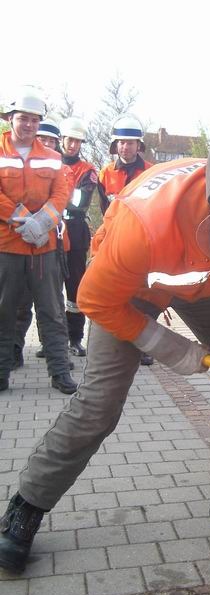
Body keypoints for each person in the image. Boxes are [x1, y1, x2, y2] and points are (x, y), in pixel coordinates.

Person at [0, 113, 210, 573]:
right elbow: (94, 298)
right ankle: (26, 506)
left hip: (207, 284)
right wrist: (165, 345)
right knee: (99, 405)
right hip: (128, 289)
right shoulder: (144, 223)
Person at [0, 86, 77, 395]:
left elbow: (61, 193)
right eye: (23, 119)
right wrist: (19, 215)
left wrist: (43, 220)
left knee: (52, 311)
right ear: (9, 118)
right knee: (4, 312)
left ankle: (60, 373)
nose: (29, 125)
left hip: (43, 248)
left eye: (35, 120)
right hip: (7, 245)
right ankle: (2, 372)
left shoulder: (53, 157)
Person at [13, 118, 72, 369]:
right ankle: (14, 350)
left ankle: (56, 355)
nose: (47, 143)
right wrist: (26, 221)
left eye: (51, 140)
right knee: (19, 304)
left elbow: (64, 198)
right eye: (44, 138)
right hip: (15, 241)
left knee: (53, 306)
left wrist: (39, 224)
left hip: (52, 244)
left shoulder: (62, 167)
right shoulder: (17, 161)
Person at [98, 113, 154, 366]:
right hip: (115, 241)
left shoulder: (152, 172)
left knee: (144, 295)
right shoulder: (105, 174)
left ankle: (144, 347)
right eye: (121, 142)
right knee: (117, 292)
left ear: (138, 146)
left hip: (143, 244)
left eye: (130, 142)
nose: (125, 147)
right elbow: (103, 211)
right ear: (115, 145)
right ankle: (120, 343)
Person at [59, 117, 97, 357]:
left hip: (75, 231)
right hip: (48, 230)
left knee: (75, 289)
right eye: (69, 139)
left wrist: (53, 194)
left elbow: (80, 202)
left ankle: (75, 338)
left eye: (77, 141)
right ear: (62, 139)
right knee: (48, 291)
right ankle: (50, 340)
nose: (73, 145)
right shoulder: (47, 162)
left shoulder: (88, 170)